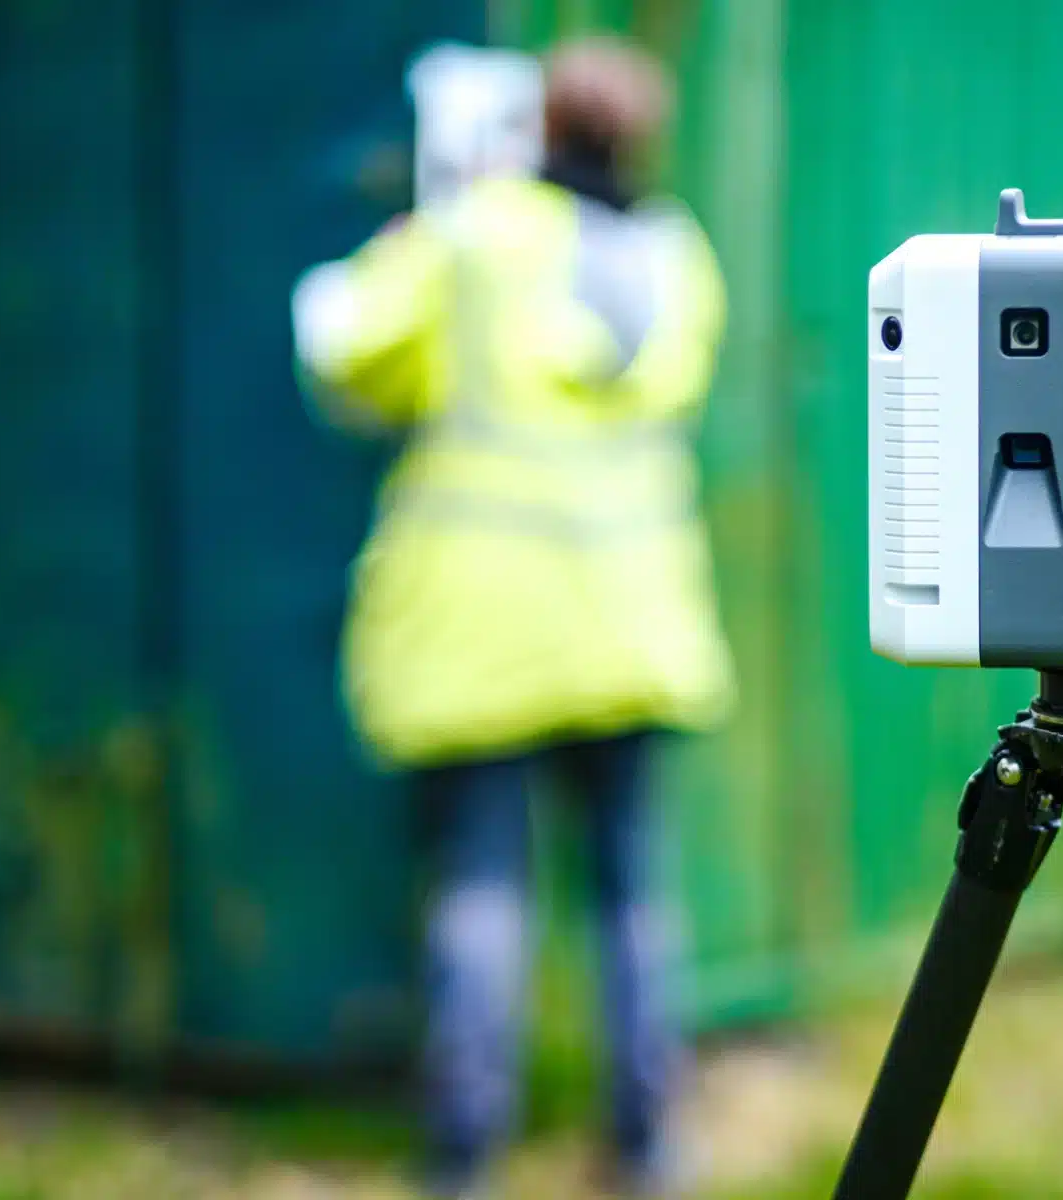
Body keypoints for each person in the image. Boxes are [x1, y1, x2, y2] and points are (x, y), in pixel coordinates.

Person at [293, 35, 733, 1199]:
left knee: (484, 889)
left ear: (541, 123)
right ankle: (646, 1143)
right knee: (632, 892)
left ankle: (463, 1152)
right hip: (633, 619)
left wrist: (391, 253)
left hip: (486, 627)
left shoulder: (474, 238)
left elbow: (348, 355)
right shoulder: (678, 256)